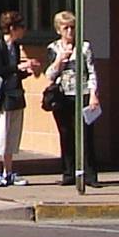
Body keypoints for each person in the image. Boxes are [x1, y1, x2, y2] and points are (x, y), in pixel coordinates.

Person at [0, 9, 41, 187]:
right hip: (0, 96)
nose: (23, 31)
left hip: (15, 93)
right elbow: (0, 69)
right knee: (0, 133)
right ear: (12, 27)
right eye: (21, 27)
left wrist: (27, 71)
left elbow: (14, 72)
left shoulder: (15, 46)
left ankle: (8, 171)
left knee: (13, 134)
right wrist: (21, 66)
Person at [42, 10, 101, 187]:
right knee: (66, 134)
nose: (70, 32)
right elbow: (49, 75)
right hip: (63, 96)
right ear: (58, 30)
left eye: (72, 28)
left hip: (81, 93)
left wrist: (93, 95)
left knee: (86, 135)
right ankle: (69, 173)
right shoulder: (53, 48)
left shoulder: (84, 47)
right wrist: (60, 59)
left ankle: (90, 175)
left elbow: (92, 72)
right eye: (65, 28)